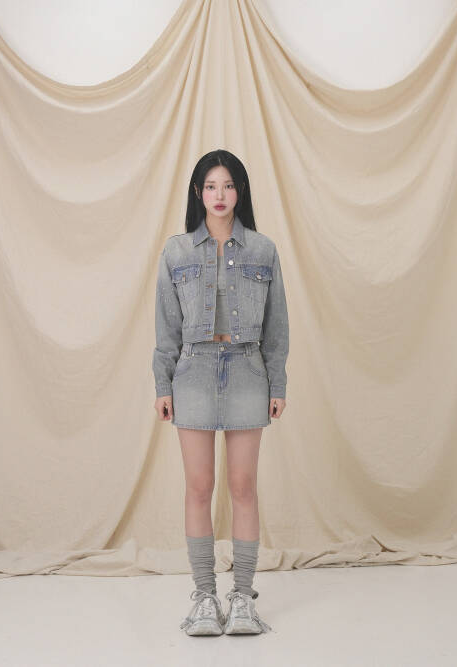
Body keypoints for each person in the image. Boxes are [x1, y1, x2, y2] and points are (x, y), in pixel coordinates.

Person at [152, 149, 289, 635]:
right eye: (211, 186)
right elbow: (166, 327)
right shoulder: (176, 252)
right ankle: (205, 597)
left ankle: (243, 598)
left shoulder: (263, 250)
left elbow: (277, 326)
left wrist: (277, 381)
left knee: (243, 486)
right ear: (198, 192)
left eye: (228, 185)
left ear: (240, 192)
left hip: (249, 370)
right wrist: (163, 383)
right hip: (192, 372)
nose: (219, 194)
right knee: (198, 486)